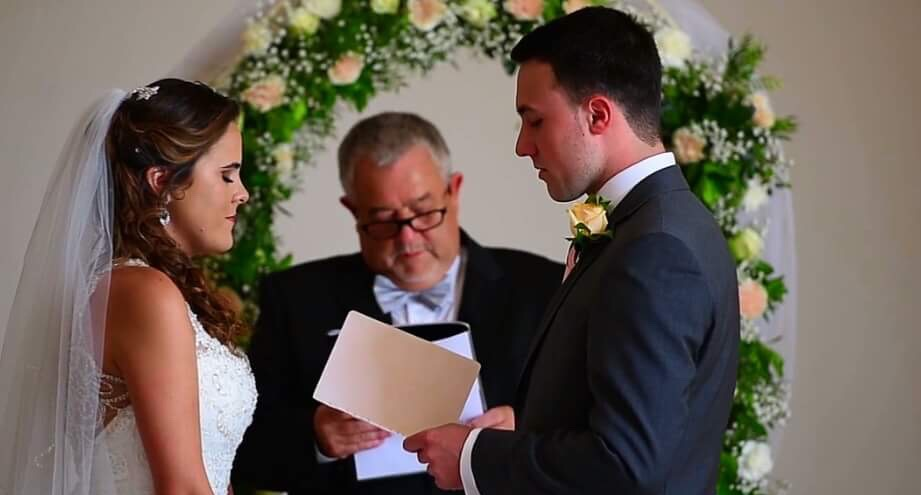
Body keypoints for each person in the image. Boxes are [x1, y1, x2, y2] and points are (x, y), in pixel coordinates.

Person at [404, 8, 741, 495]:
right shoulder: (662, 223)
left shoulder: (655, 251)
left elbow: (626, 464)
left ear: (598, 114)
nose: (523, 146)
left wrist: (473, 458)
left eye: (535, 121)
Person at [231, 112, 562, 494]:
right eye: (384, 220)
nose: (408, 239)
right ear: (353, 210)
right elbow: (242, 453)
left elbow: (599, 435)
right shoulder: (296, 299)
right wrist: (317, 437)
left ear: (454, 191)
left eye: (423, 213)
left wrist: (524, 431)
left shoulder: (543, 287)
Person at [0, 78, 256, 495]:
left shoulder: (160, 289)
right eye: (227, 176)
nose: (242, 194)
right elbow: (182, 487)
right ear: (162, 181)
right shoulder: (143, 293)